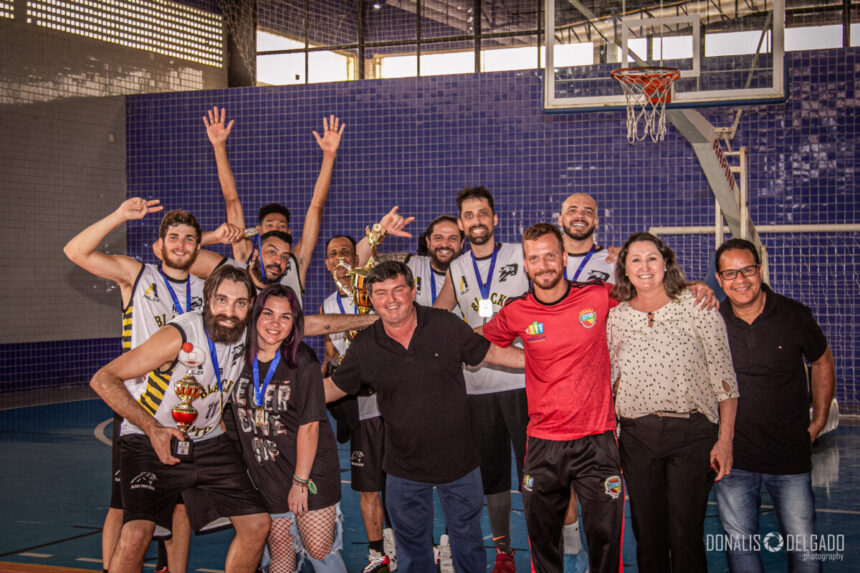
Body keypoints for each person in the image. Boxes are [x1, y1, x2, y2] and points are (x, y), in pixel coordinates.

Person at [323, 261, 524, 573]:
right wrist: (289, 397)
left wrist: (545, 363)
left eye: (398, 290)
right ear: (371, 300)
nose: (390, 299)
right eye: (380, 293)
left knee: (468, 545)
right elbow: (335, 387)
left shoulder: (445, 324)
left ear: (412, 291)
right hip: (404, 469)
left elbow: (493, 354)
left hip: (460, 464)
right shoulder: (365, 346)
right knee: (414, 554)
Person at [88, 264, 270, 573]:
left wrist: (377, 319)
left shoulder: (246, 329)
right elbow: (103, 379)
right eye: (222, 300)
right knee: (135, 534)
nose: (230, 310)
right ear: (208, 298)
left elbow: (309, 325)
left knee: (256, 524)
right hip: (150, 439)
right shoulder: (180, 334)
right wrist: (153, 428)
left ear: (250, 305)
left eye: (240, 303)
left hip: (208, 440)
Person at [64, 199, 204, 573]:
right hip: (139, 413)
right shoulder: (137, 276)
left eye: (189, 239)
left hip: (186, 413)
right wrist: (119, 216)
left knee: (179, 506)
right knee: (122, 505)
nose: (180, 244)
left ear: (197, 248)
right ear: (159, 245)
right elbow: (75, 251)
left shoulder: (207, 290)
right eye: (173, 237)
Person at [480, 223, 625, 573]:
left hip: (598, 439)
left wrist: (693, 287)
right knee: (543, 547)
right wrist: (528, 361)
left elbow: (650, 295)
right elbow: (481, 344)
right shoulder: (517, 311)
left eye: (549, 256)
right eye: (534, 258)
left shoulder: (597, 295)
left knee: (606, 544)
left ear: (562, 257)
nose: (543, 265)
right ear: (526, 265)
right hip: (544, 444)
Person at [607, 232, 739, 573]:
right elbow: (611, 379)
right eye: (635, 259)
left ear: (665, 263)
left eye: (652, 257)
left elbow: (725, 381)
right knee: (648, 535)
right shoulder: (617, 317)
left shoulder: (698, 306)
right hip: (637, 438)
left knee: (685, 536)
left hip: (692, 434)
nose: (644, 266)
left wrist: (724, 442)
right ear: (625, 268)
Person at [714, 238, 835, 572]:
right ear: (720, 279)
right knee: (740, 548)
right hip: (733, 459)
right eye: (730, 273)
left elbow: (822, 361)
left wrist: (820, 418)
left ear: (760, 270)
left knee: (804, 547)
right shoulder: (711, 321)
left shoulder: (794, 315)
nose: (740, 280)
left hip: (789, 458)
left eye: (747, 270)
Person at [433, 186, 529, 572]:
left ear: (495, 218)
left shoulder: (520, 255)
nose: (476, 221)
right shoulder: (457, 268)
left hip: (522, 381)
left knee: (534, 472)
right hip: (476, 387)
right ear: (462, 223)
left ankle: (545, 543)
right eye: (469, 215)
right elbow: (440, 312)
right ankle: (504, 552)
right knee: (492, 476)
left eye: (482, 213)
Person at [226, 284, 346, 573]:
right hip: (264, 470)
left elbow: (309, 426)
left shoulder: (302, 360)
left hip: (308, 467)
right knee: (279, 551)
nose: (274, 324)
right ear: (254, 315)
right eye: (268, 314)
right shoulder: (235, 357)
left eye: (285, 317)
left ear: (294, 324)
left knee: (318, 547)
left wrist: (300, 482)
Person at [203, 106, 345, 305]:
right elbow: (232, 199)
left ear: (289, 231)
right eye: (270, 226)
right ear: (258, 232)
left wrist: (329, 156)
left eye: (281, 227)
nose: (277, 230)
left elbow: (316, 206)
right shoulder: (245, 255)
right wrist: (219, 147)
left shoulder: (296, 263)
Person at [321, 234, 396, 573]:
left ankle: (402, 547)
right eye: (333, 254)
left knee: (402, 481)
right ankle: (377, 554)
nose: (339, 259)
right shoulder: (326, 306)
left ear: (358, 260)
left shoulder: (376, 292)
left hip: (394, 402)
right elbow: (331, 355)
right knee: (368, 486)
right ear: (326, 263)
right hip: (360, 405)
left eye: (346, 253)